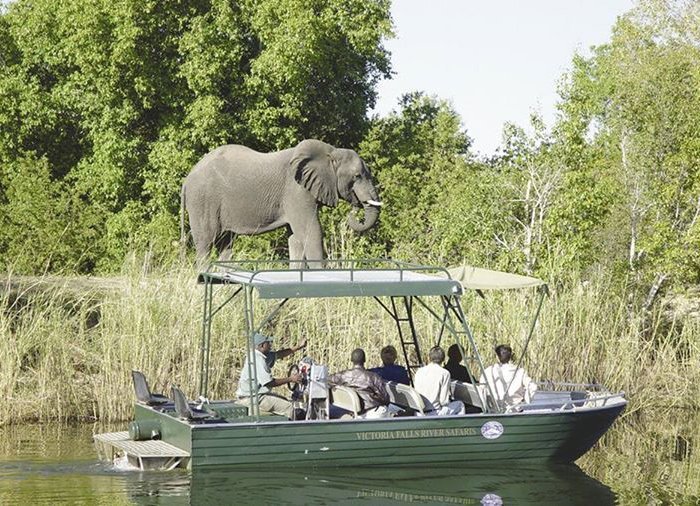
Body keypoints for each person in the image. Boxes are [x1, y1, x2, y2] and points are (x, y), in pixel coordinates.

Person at [236, 333, 304, 419]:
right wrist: (291, 379)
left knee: (284, 399)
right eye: (268, 343)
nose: (270, 345)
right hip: (253, 398)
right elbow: (269, 382)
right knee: (289, 407)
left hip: (253, 395)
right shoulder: (258, 360)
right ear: (262, 345)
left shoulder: (257, 354)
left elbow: (279, 354)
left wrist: (298, 347)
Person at [329, 348, 392, 418]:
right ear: (364, 360)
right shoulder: (373, 377)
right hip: (373, 413)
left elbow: (327, 380)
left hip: (354, 413)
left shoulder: (342, 376)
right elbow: (385, 398)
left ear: (351, 360)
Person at [479, 344, 537, 409]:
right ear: (510, 356)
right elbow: (533, 386)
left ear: (497, 357)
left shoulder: (488, 371)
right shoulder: (520, 371)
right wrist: (526, 400)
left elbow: (481, 390)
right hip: (514, 409)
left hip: (494, 409)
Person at [414, 346, 465, 416]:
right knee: (460, 404)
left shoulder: (419, 371)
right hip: (434, 412)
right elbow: (443, 401)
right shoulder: (445, 373)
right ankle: (459, 426)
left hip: (419, 413)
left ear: (429, 357)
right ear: (443, 359)